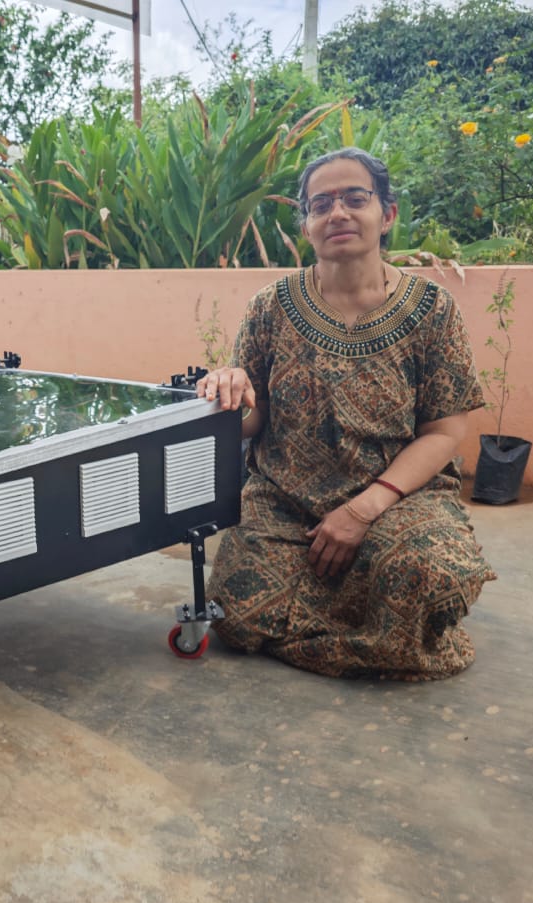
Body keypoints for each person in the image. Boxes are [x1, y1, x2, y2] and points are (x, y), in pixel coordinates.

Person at [195, 147, 496, 681]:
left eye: (355, 199)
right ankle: (377, 628)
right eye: (321, 204)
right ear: (307, 226)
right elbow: (251, 425)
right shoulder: (270, 307)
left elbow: (445, 430)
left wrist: (362, 512)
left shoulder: (431, 310)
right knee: (237, 613)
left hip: (398, 498)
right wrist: (229, 393)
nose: (338, 214)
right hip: (285, 502)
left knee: (427, 573)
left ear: (388, 214)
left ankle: (374, 607)